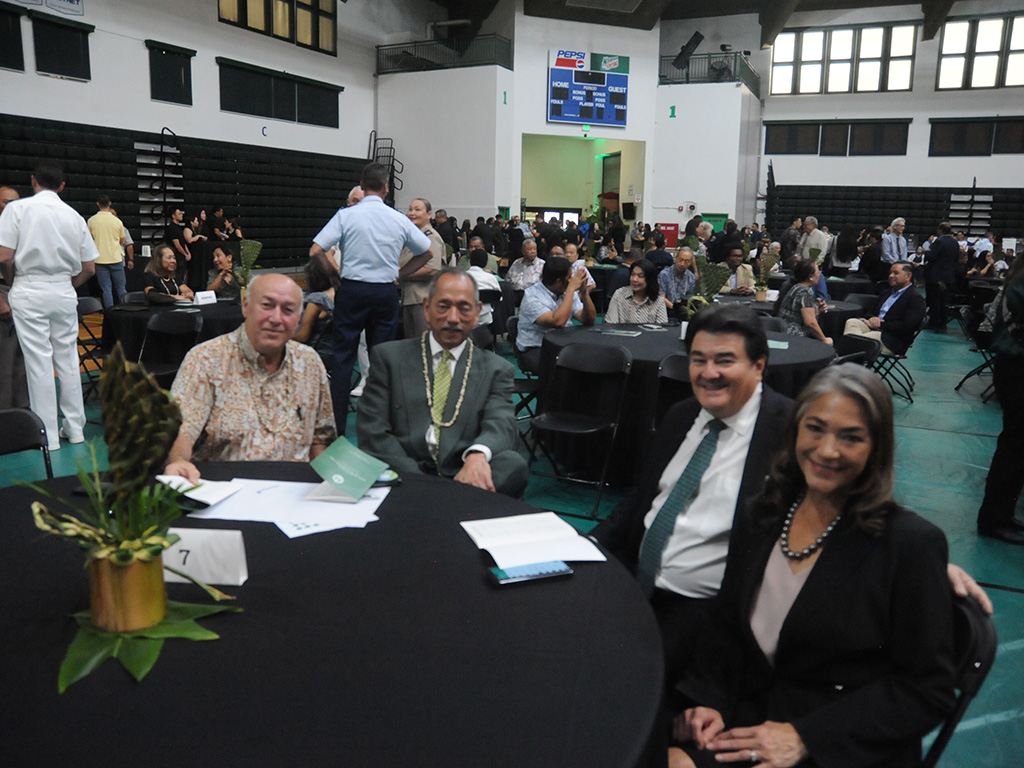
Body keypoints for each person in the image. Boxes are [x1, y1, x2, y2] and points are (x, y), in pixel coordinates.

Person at [667, 364, 957, 768]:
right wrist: (709, 698)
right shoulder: (767, 510)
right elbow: (729, 622)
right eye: (815, 428)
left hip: (838, 744)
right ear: (795, 430)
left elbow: (928, 690)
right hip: (752, 714)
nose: (827, 450)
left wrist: (806, 737)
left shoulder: (909, 544)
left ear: (878, 447)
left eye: (851, 437)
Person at [357, 269, 528, 498]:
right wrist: (421, 482)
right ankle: (449, 501)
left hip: (464, 469)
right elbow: (373, 431)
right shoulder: (389, 358)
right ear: (426, 308)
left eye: (464, 308)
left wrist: (477, 455)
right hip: (406, 471)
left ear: (477, 312)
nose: (453, 318)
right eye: (443, 306)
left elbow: (501, 422)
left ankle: (445, 502)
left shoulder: (496, 368)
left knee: (512, 463)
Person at [164, 273, 336, 482]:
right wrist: (179, 461)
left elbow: (321, 439)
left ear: (298, 319)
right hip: (224, 493)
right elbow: (180, 431)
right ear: (245, 306)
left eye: (288, 310)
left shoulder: (310, 362)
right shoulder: (206, 359)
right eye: (267, 305)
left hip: (293, 495)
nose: (276, 318)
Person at [309, 162, 433, 433]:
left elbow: (316, 251)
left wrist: (334, 276)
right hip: (384, 291)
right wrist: (400, 273)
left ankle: (335, 428)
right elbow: (426, 252)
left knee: (343, 360)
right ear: (386, 189)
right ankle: (378, 426)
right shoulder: (398, 218)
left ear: (362, 187)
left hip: (351, 290)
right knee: (382, 360)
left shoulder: (346, 215)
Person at [0, 161, 98, 450]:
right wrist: (67, 285)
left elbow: (5, 257)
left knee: (39, 362)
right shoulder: (75, 216)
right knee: (67, 359)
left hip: (29, 286)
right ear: (62, 186)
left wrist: (13, 280)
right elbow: (89, 268)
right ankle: (75, 428)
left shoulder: (17, 210)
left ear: (33, 181)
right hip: (63, 290)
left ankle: (48, 435)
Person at [976, 257, 1024, 545]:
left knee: (1017, 452)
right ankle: (993, 519)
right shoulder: (1020, 282)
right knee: (1013, 451)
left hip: (1014, 368)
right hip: (1016, 370)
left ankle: (1004, 514)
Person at [516, 256, 596, 373]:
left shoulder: (566, 292)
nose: (572, 280)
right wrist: (570, 289)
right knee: (566, 368)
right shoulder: (531, 297)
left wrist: (584, 293)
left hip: (563, 344)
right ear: (559, 281)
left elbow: (588, 320)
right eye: (569, 277)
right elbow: (557, 322)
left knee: (593, 360)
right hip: (536, 349)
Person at [843, 261, 925, 356]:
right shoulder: (886, 293)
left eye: (896, 273)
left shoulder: (915, 299)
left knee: (856, 340)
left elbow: (906, 327)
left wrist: (880, 325)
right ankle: (853, 355)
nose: (891, 276)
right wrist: (871, 318)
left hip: (892, 339)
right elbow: (870, 311)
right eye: (890, 273)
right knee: (852, 322)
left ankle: (850, 357)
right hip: (873, 328)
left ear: (908, 276)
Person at [398, 197, 446, 339]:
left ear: (429, 214)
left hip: (424, 300)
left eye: (417, 210)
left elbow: (432, 270)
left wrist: (400, 274)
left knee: (425, 345)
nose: (412, 213)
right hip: (410, 298)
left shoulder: (430, 237)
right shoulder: (413, 238)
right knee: (413, 347)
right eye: (410, 209)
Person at [0, 184, 29, 410]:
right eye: (6, 202)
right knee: (5, 362)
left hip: (20, 294)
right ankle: (6, 414)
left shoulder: (18, 229)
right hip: (3, 295)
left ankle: (23, 410)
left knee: (23, 359)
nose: (12, 207)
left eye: (15, 202)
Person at [775, 259, 833, 345]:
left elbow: (797, 314)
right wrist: (824, 339)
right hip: (796, 337)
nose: (819, 274)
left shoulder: (794, 288)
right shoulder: (805, 292)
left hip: (783, 333)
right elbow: (810, 324)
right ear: (810, 276)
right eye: (818, 271)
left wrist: (817, 311)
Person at [87, 194, 127, 308]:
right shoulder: (117, 221)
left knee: (106, 288)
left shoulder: (91, 221)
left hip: (100, 259)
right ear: (110, 203)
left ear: (98, 204)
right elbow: (122, 240)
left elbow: (89, 239)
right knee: (121, 287)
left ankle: (109, 313)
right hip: (115, 257)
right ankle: (125, 310)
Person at [293, 257, 335, 359]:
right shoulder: (341, 293)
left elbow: (303, 336)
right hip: (338, 353)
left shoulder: (317, 299)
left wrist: (280, 337)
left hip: (317, 354)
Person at [606, 258, 668, 324]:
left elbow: (662, 329)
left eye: (640, 276)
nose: (634, 279)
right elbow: (611, 325)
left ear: (650, 279)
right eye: (632, 274)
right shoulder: (619, 295)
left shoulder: (659, 301)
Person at [924, 222, 959, 330]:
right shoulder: (955, 243)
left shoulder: (938, 242)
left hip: (936, 277)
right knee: (944, 301)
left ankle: (934, 322)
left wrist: (926, 251)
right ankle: (943, 323)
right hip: (949, 277)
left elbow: (932, 256)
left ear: (940, 230)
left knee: (935, 301)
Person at [465, 248, 501, 327]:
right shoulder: (491, 278)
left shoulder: (461, 277)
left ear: (470, 261)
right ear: (485, 263)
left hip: (465, 319)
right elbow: (499, 298)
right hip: (485, 320)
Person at [659, 247, 697, 316]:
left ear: (690, 262)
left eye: (686, 261)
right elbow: (661, 297)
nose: (682, 264)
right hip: (665, 311)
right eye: (681, 260)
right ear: (675, 258)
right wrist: (675, 309)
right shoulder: (664, 274)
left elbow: (690, 298)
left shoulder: (691, 277)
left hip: (684, 312)